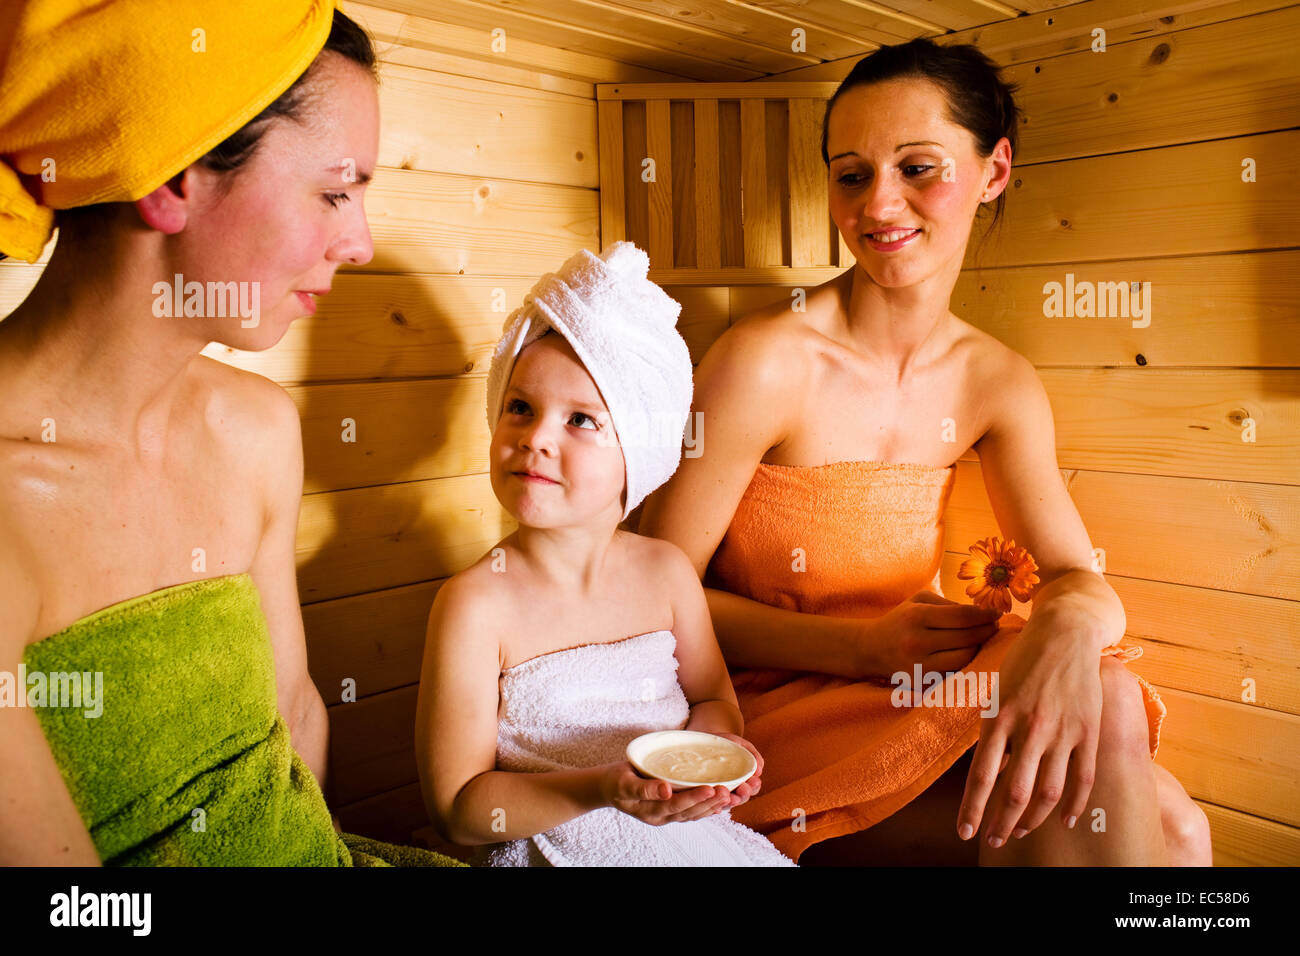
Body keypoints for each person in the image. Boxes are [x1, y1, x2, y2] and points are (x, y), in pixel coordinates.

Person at [637, 38, 1212, 866]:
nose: (879, 206)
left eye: (918, 167)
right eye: (852, 174)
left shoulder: (995, 380)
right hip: (781, 702)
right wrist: (859, 650)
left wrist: (1069, 619)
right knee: (1163, 829)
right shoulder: (766, 360)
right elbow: (653, 596)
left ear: (995, 171)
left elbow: (1077, 575)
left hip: (914, 687)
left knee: (1122, 717)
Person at [0, 0, 458, 866]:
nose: (358, 243)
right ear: (174, 178)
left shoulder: (256, 431)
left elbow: (295, 711)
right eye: (333, 192)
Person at [415, 242, 793, 865]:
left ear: (638, 452)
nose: (535, 438)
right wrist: (603, 790)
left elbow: (715, 701)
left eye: (580, 421)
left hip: (681, 841)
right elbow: (457, 809)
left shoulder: (666, 572)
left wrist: (705, 763)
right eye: (520, 408)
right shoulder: (475, 605)